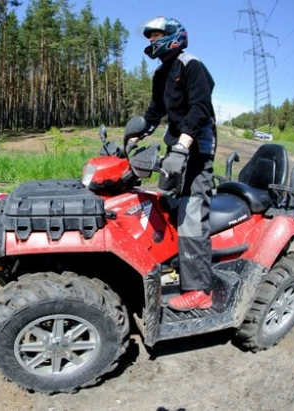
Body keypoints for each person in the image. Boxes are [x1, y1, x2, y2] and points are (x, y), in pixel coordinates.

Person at [128, 16, 217, 311]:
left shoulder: (192, 65)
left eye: (156, 36)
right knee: (165, 201)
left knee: (192, 213)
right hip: (176, 146)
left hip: (197, 146)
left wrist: (182, 146)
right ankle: (170, 260)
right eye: (149, 38)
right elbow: (155, 112)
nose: (151, 42)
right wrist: (134, 135)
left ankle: (200, 290)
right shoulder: (160, 74)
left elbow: (200, 109)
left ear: (172, 36)